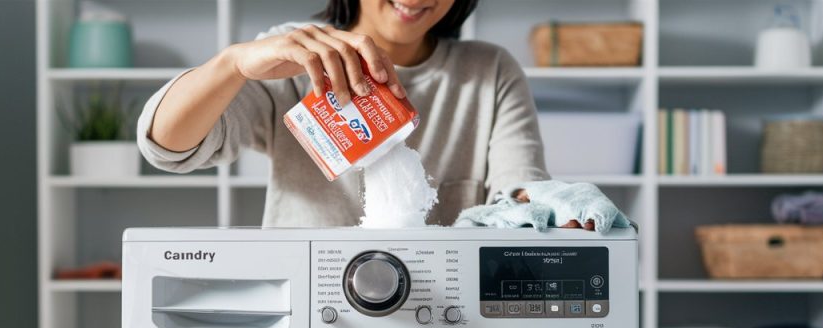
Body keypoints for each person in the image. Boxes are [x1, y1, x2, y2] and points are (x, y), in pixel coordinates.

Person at [137, 0, 548, 227]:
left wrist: (552, 211)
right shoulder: (292, 56)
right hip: (305, 308)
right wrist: (232, 65)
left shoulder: (489, 72)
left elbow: (520, 193)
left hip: (440, 318)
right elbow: (168, 147)